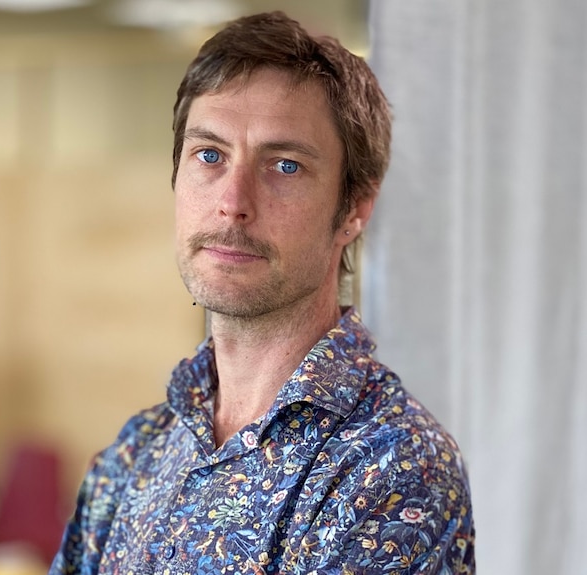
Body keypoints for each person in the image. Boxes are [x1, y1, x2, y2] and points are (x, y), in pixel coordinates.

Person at [50, 11, 475, 575]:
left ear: (354, 208)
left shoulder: (394, 468)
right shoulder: (136, 453)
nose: (234, 200)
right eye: (209, 154)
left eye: (285, 165)